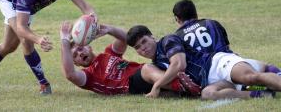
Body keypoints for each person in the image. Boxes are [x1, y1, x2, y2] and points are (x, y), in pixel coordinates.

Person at [126, 0, 281, 100]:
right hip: (209, 79)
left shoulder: (169, 40)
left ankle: (270, 77)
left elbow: (179, 65)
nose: (143, 48)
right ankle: (259, 94)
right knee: (208, 94)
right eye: (138, 47)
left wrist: (157, 85)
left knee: (251, 77)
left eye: (144, 42)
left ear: (152, 37)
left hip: (216, 63)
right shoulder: (158, 62)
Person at [60, 21, 200, 96]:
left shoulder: (108, 53)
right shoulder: (88, 76)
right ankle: (180, 85)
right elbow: (70, 74)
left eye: (80, 49)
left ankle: (191, 82)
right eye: (75, 56)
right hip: (131, 84)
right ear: (75, 63)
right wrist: (65, 42)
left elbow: (126, 39)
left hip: (148, 77)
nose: (79, 54)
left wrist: (109, 29)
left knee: (165, 62)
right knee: (147, 69)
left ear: (88, 46)